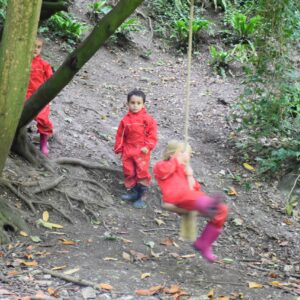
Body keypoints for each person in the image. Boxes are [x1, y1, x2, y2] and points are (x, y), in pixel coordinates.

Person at [153, 140, 228, 262]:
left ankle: (204, 243)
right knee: (197, 198)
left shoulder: (184, 169)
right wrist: (177, 161)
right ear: (172, 154)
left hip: (191, 198)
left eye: (188, 153)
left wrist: (189, 175)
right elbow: (164, 172)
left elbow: (194, 189)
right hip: (176, 197)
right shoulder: (162, 165)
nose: (187, 156)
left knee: (222, 210)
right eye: (183, 152)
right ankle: (209, 207)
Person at [114, 89, 157, 209]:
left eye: (138, 103)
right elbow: (120, 135)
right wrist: (119, 147)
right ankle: (133, 192)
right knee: (129, 171)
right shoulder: (125, 120)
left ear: (143, 104)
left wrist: (148, 146)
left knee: (141, 172)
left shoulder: (147, 119)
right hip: (128, 149)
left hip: (141, 151)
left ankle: (141, 196)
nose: (135, 106)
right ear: (128, 104)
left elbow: (152, 134)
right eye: (132, 103)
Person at [26, 37, 53, 156]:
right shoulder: (22, 61)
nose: (35, 49)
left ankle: (43, 142)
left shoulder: (44, 65)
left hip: (39, 97)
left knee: (43, 119)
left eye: (38, 47)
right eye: (33, 46)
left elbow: (51, 81)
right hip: (24, 95)